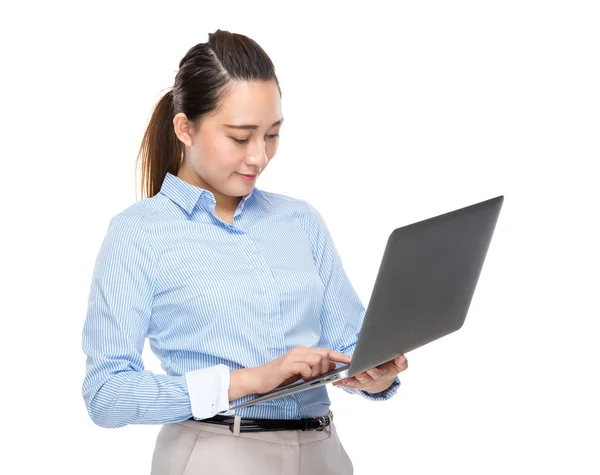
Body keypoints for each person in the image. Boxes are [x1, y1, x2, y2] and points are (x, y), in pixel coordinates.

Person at [81, 29, 409, 475]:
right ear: (185, 128)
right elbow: (107, 394)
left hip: (324, 454)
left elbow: (349, 343)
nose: (259, 157)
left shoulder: (300, 221)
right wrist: (249, 381)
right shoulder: (139, 234)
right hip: (217, 454)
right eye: (240, 137)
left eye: (272, 135)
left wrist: (376, 374)